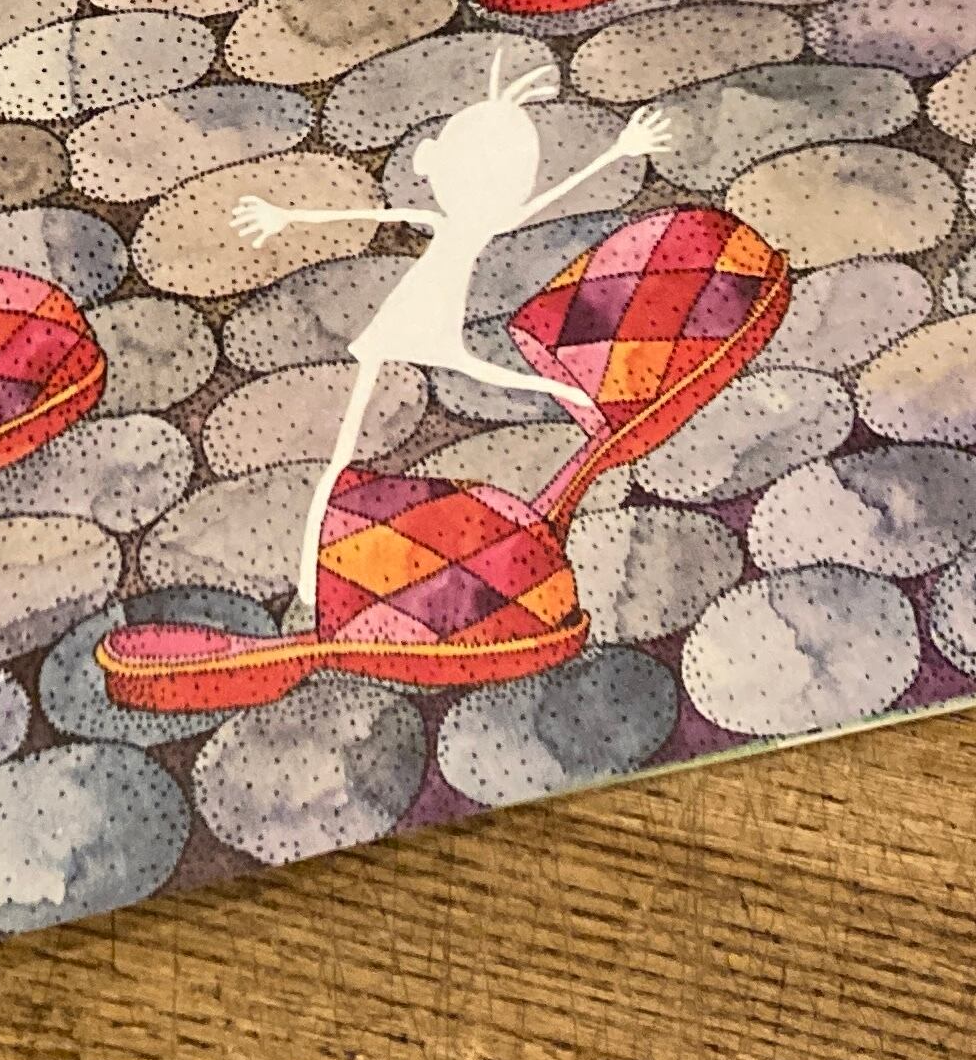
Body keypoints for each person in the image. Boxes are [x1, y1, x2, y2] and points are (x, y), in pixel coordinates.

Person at [233, 57, 667, 630]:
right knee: (349, 445)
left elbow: (540, 201)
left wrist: (616, 152)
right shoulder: (462, 220)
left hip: (426, 322)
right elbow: (368, 211)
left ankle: (576, 399)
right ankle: (313, 584)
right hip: (405, 320)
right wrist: (285, 215)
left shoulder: (477, 223)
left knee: (400, 413)